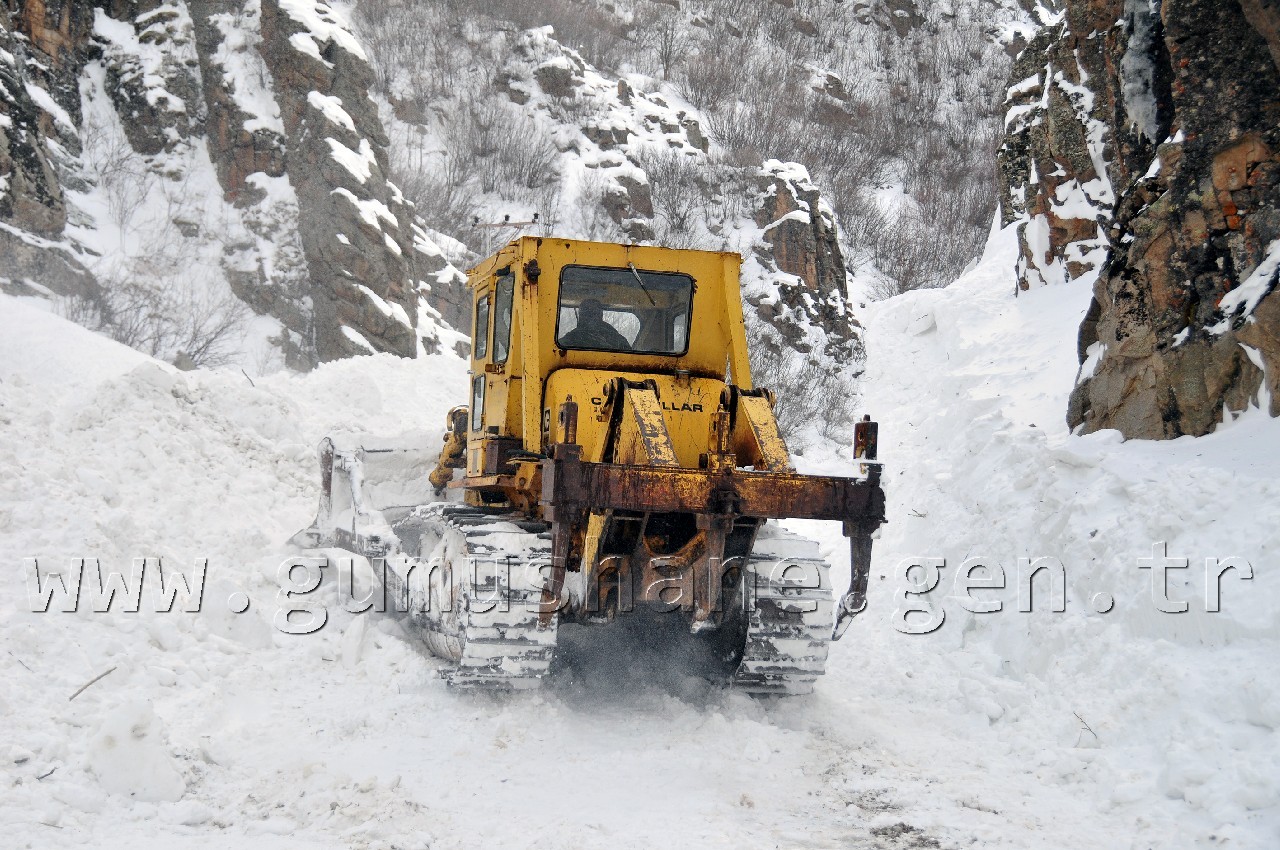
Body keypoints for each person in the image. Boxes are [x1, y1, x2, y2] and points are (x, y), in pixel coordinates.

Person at [559, 298, 631, 351]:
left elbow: (628, 358)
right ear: (580, 315)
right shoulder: (571, 338)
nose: (590, 317)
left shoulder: (615, 338)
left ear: (600, 315)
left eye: (593, 313)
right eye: (586, 313)